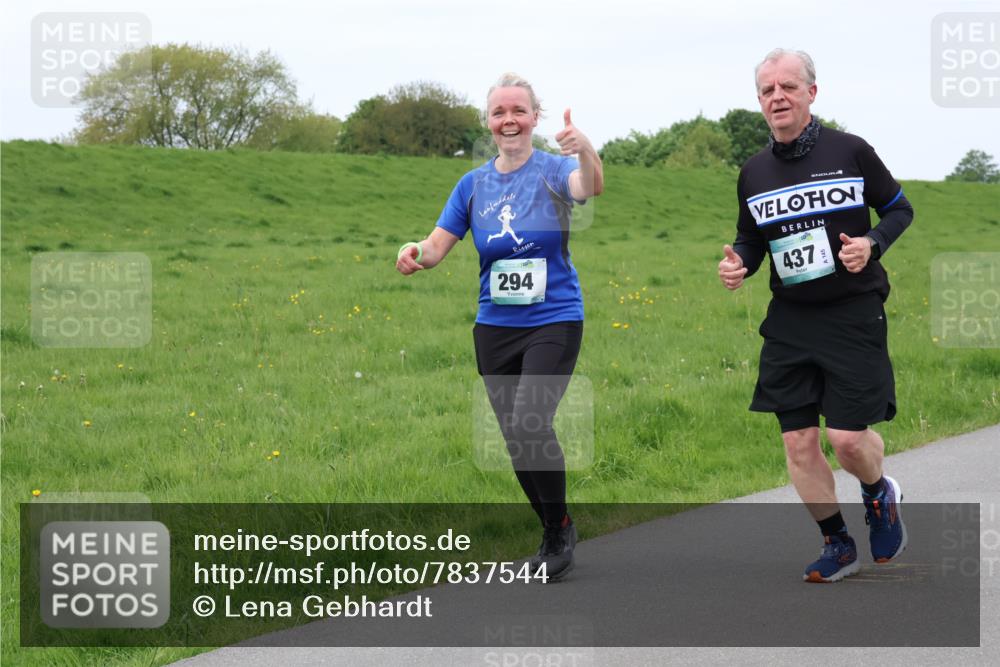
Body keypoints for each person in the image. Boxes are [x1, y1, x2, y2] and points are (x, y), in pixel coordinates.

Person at [396, 73, 604, 580]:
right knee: (515, 436)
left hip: (553, 317)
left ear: (536, 118)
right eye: (498, 112)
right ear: (488, 122)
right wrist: (415, 253)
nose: (508, 120)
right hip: (494, 326)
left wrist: (586, 150)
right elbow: (438, 245)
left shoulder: (555, 170)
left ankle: (558, 531)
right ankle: (553, 526)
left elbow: (590, 185)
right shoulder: (472, 184)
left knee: (532, 420)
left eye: (518, 111)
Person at [718, 49, 913, 583]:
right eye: (766, 91)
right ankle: (837, 543)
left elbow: (899, 208)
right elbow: (751, 238)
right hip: (790, 317)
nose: (776, 97)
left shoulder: (850, 151)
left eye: (787, 87)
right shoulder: (753, 171)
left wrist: (870, 245)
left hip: (852, 311)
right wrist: (740, 265)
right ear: (759, 102)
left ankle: (879, 492)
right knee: (798, 440)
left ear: (811, 92)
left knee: (847, 439)